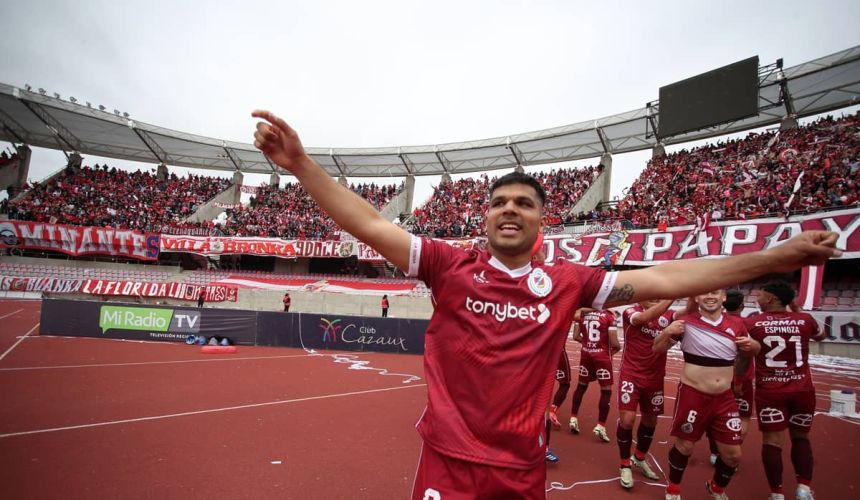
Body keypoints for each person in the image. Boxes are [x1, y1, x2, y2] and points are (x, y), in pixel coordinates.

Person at [252, 110, 840, 499]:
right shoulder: (445, 264)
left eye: (523, 203)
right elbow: (369, 222)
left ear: (541, 219)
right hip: (447, 462)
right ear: (485, 217)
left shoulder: (569, 282)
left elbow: (667, 276)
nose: (510, 209)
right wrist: (302, 165)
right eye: (499, 201)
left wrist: (772, 257)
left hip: (521, 467)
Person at [653, 290, 761, 500]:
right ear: (696, 298)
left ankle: (716, 488)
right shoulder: (686, 322)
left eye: (715, 293)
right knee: (685, 446)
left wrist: (754, 346)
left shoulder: (738, 324)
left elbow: (752, 351)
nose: (710, 296)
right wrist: (667, 332)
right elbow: (656, 349)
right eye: (704, 293)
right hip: (693, 395)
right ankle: (673, 488)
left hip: (724, 398)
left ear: (723, 298)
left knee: (733, 456)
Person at [745, 281, 824, 500]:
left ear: (770, 299)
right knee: (801, 437)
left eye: (760, 294)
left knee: (772, 442)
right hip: (802, 390)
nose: (757, 299)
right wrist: (797, 309)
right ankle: (804, 488)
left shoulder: (753, 323)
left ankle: (777, 493)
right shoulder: (805, 320)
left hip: (770, 390)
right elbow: (821, 335)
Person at [615, 299, 678, 490]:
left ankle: (639, 458)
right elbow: (643, 318)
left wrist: (691, 294)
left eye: (659, 296)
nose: (655, 299)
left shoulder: (670, 314)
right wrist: (671, 296)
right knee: (627, 420)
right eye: (651, 295)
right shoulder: (630, 311)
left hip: (655, 377)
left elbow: (689, 311)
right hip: (631, 374)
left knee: (651, 420)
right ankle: (625, 464)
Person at [707, 289, 751, 466]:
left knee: (713, 415)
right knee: (743, 417)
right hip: (743, 379)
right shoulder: (748, 324)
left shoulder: (716, 323)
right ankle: (732, 449)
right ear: (742, 305)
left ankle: (715, 452)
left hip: (717, 376)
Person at [569, 308, 619, 443]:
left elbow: (575, 336)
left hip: (586, 354)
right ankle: (601, 426)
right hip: (602, 356)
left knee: (581, 385)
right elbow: (615, 344)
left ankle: (573, 418)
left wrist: (587, 344)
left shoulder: (582, 314)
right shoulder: (609, 316)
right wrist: (608, 352)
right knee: (606, 390)